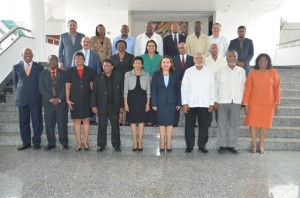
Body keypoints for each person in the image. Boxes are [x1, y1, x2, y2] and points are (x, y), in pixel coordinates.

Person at [242, 53, 280, 154]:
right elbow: (247, 89)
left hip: (268, 104)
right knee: (253, 125)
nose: (263, 62)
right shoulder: (252, 73)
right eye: (261, 60)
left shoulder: (273, 72)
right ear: (257, 62)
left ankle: (261, 145)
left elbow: (277, 89)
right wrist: (245, 104)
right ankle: (254, 144)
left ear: (268, 62)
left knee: (264, 125)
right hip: (254, 104)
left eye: (265, 60)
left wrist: (277, 103)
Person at [181, 52, 215, 153]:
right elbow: (184, 88)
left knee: (204, 126)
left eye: (201, 58)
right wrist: (185, 103)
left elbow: (212, 88)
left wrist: (211, 103)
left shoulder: (209, 72)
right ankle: (190, 146)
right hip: (191, 103)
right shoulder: (188, 71)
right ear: (193, 60)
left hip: (204, 104)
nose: (199, 60)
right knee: (189, 126)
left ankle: (202, 145)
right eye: (197, 58)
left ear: (204, 60)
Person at [214, 50, 246, 154]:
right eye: (229, 56)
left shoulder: (241, 71)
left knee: (234, 124)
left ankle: (232, 145)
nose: (232, 58)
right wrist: (215, 101)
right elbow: (215, 87)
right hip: (222, 100)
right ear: (226, 58)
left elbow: (244, 87)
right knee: (221, 124)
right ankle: (222, 145)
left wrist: (243, 102)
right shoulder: (220, 70)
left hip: (236, 101)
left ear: (237, 58)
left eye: (234, 56)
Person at [13, 48, 44, 150]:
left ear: (32, 55)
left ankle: (36, 142)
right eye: (25, 53)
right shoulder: (16, 67)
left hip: (35, 99)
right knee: (23, 122)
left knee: (37, 121)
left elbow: (41, 83)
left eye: (29, 53)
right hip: (22, 99)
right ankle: (26, 142)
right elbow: (16, 83)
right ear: (22, 55)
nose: (27, 54)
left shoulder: (39, 67)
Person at [91, 59, 123, 152]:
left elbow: (121, 92)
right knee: (102, 126)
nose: (106, 67)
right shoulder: (98, 77)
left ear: (112, 67)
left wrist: (121, 106)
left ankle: (116, 145)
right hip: (102, 106)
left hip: (114, 106)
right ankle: (101, 145)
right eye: (104, 66)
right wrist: (93, 105)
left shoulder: (118, 77)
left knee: (115, 126)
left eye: (108, 66)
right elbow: (94, 92)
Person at [66, 52, 95, 152]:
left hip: (87, 98)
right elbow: (67, 86)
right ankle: (79, 142)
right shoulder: (70, 71)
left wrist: (93, 100)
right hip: (74, 99)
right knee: (77, 120)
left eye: (81, 58)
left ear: (84, 59)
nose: (79, 59)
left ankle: (86, 141)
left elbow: (92, 86)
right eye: (77, 58)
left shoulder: (90, 70)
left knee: (86, 120)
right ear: (74, 60)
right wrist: (67, 99)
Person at [151, 56, 181, 152]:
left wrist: (179, 102)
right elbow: (154, 90)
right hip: (160, 103)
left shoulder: (175, 74)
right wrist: (154, 103)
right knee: (161, 123)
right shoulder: (156, 75)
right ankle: (162, 142)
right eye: (164, 62)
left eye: (168, 62)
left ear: (171, 64)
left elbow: (178, 89)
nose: (166, 64)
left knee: (170, 123)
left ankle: (168, 142)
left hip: (172, 102)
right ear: (161, 64)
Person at [38, 55, 68, 150]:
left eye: (55, 60)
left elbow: (65, 87)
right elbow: (41, 88)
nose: (53, 61)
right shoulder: (42, 74)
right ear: (48, 61)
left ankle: (64, 143)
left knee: (62, 124)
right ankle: (51, 142)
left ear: (57, 61)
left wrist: (58, 99)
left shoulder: (64, 73)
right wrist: (51, 99)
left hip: (61, 103)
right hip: (48, 104)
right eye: (51, 59)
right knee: (49, 124)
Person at [72, 36, 102, 126]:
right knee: (80, 100)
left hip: (91, 83)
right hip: (78, 82)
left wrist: (97, 83)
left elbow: (98, 70)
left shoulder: (95, 55)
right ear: (81, 43)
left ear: (90, 43)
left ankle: (92, 119)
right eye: (84, 42)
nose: (86, 43)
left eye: (88, 42)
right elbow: (72, 68)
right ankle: (80, 118)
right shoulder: (76, 54)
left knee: (91, 100)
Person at [124, 56, 151, 151]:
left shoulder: (146, 74)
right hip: (131, 99)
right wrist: (125, 104)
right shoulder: (127, 74)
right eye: (136, 63)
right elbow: (125, 91)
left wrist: (148, 104)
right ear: (133, 64)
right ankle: (134, 141)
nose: (138, 64)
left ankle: (140, 141)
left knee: (141, 120)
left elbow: (148, 90)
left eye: (139, 63)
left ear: (142, 65)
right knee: (132, 120)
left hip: (142, 99)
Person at [110, 40, 134, 126]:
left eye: (123, 45)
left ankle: (127, 119)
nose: (121, 46)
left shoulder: (131, 57)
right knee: (117, 99)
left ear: (126, 46)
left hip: (128, 80)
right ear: (116, 47)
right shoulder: (112, 58)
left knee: (127, 99)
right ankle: (119, 120)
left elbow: (133, 69)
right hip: (115, 81)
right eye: (119, 45)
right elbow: (110, 70)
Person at [171, 42, 194, 127]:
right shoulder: (173, 59)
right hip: (177, 84)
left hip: (189, 85)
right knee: (177, 102)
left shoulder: (192, 59)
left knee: (189, 103)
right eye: (180, 48)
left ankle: (190, 122)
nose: (182, 49)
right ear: (178, 49)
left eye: (183, 48)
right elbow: (172, 72)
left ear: (186, 48)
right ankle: (175, 122)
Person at [141, 40, 162, 126]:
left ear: (155, 47)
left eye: (153, 46)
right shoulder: (142, 57)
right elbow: (139, 68)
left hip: (156, 81)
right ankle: (145, 120)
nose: (151, 47)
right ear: (146, 47)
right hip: (144, 81)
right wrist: (146, 77)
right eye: (149, 46)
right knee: (145, 100)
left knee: (154, 100)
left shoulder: (160, 57)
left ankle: (154, 121)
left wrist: (154, 77)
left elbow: (162, 69)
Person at [205, 43, 227, 126]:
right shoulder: (205, 60)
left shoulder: (223, 61)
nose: (214, 49)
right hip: (208, 86)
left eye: (216, 48)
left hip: (220, 87)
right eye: (212, 48)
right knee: (209, 105)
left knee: (219, 105)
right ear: (209, 50)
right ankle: (208, 123)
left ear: (218, 50)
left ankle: (220, 123)